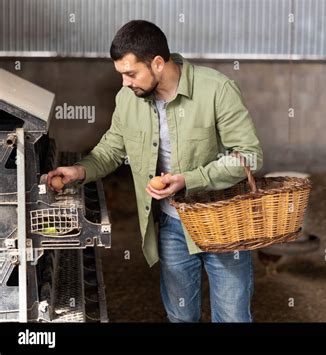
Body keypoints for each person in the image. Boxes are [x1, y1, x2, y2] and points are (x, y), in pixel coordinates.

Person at [47, 20, 263, 323]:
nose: (124, 82)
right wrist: (79, 171)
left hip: (222, 226)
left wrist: (188, 180)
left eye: (131, 73)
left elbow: (248, 156)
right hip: (172, 226)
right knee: (180, 316)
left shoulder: (216, 89)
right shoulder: (128, 99)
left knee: (232, 317)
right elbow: (112, 150)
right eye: (121, 74)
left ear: (158, 63)